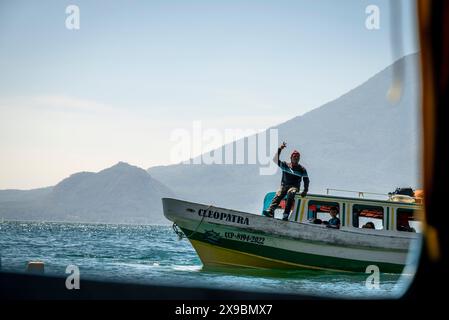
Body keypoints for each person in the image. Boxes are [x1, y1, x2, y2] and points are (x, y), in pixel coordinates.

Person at [263, 141, 310, 221]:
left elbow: (306, 180)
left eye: (297, 157)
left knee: (291, 193)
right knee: (279, 193)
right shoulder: (285, 165)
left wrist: (305, 190)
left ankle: (286, 214)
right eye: (294, 156)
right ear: (291, 158)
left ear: (299, 159)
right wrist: (280, 149)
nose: (296, 158)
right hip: (284, 185)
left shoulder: (302, 169)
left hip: (294, 187)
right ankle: (270, 210)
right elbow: (275, 159)